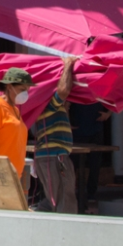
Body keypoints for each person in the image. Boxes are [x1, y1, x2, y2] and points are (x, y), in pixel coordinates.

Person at [32, 57, 79, 214]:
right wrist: (68, 65)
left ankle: (37, 219)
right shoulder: (48, 105)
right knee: (65, 200)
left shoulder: (46, 106)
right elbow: (64, 91)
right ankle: (65, 233)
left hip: (51, 157)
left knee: (54, 198)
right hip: (54, 158)